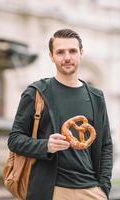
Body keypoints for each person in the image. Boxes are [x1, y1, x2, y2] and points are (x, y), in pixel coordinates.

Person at [8, 28, 113, 200]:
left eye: (72, 51)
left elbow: (105, 145)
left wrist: (103, 187)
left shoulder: (96, 96)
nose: (67, 57)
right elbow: (14, 139)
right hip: (50, 190)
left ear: (81, 53)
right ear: (51, 56)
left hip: (91, 191)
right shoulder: (36, 92)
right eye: (60, 52)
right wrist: (45, 146)